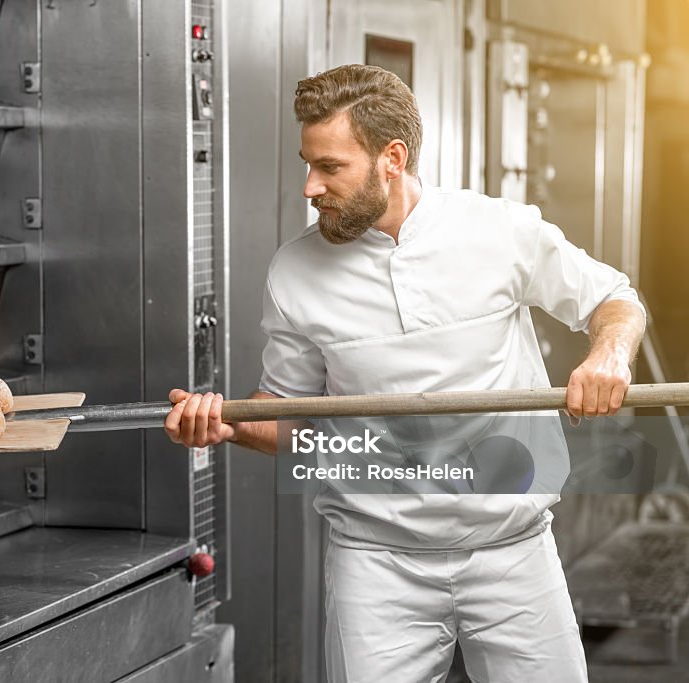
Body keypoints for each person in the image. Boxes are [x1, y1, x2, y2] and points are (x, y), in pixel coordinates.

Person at [164, 64, 646, 683]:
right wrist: (227, 425)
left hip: (514, 550)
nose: (310, 187)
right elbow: (287, 416)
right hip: (377, 564)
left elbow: (614, 300)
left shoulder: (500, 231)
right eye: (308, 164)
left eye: (330, 167)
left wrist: (608, 354)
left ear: (392, 157)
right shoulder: (294, 271)